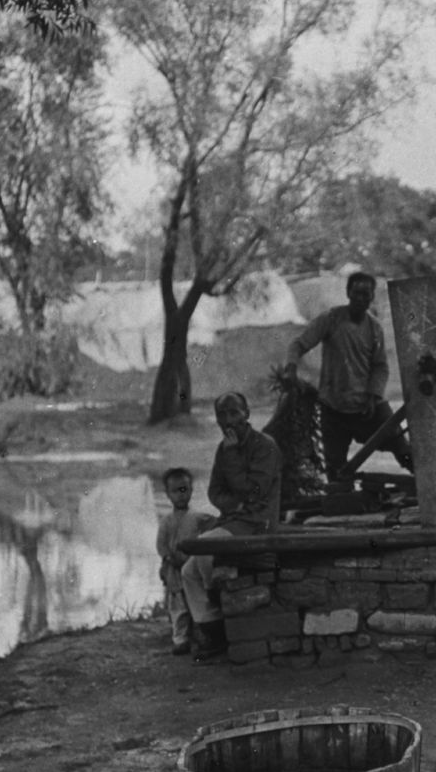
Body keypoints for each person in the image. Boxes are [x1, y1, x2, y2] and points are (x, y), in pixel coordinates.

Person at [282, 271, 412, 486]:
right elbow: (298, 344)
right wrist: (290, 368)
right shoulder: (330, 319)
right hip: (333, 409)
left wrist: (373, 395)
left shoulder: (375, 328)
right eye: (357, 293)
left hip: (366, 407)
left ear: (372, 297)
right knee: (336, 472)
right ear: (348, 293)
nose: (361, 299)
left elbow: (380, 367)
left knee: (402, 448)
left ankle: (428, 484)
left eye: (366, 294)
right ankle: (345, 505)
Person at [179, 393, 281, 661]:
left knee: (204, 550)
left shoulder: (264, 446)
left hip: (259, 522)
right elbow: (214, 492)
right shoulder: (224, 449)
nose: (228, 421)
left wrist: (234, 457)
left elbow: (255, 492)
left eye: (234, 413)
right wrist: (234, 506)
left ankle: (222, 628)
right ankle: (213, 631)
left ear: (247, 413)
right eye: (221, 415)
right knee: (188, 570)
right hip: (236, 519)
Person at [154, 467, 205, 657]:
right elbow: (161, 545)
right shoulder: (166, 522)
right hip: (174, 569)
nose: (181, 495)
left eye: (185, 490)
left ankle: (198, 636)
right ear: (168, 495)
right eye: (176, 491)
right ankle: (180, 639)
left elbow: (205, 535)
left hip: (191, 568)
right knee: (178, 606)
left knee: (195, 601)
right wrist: (168, 558)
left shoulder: (198, 518)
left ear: (191, 490)